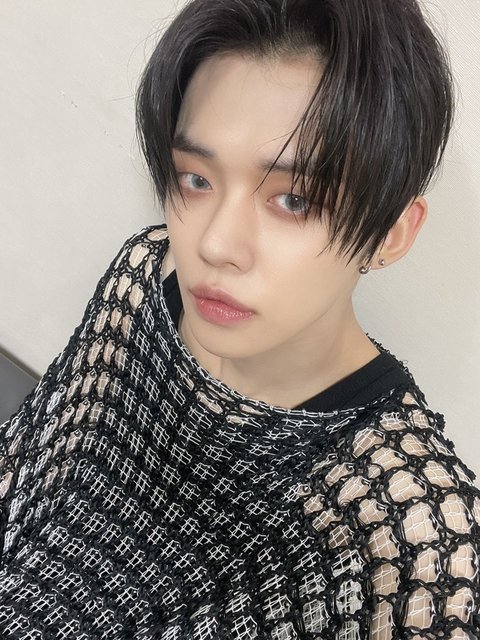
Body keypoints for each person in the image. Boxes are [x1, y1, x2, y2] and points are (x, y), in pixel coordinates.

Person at [0, 0, 479, 637]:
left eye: (294, 200)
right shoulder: (146, 282)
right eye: (195, 179)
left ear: (391, 233)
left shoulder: (410, 538)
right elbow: (32, 470)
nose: (214, 245)